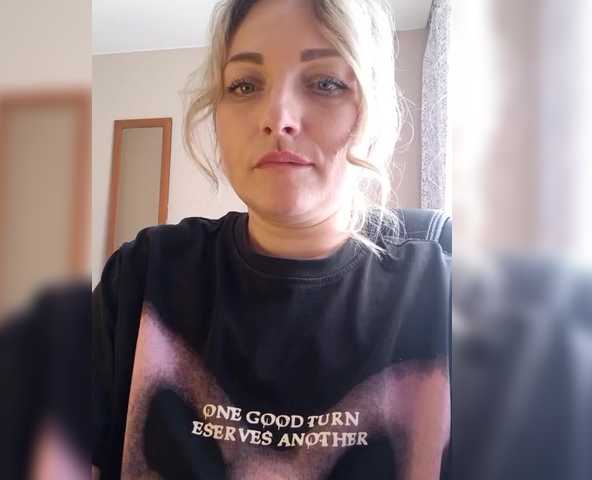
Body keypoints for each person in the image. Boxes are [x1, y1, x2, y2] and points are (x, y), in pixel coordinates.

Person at [93, 0, 451, 478]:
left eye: (326, 83)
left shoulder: (453, 299)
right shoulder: (143, 275)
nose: (277, 117)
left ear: (374, 110)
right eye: (245, 85)